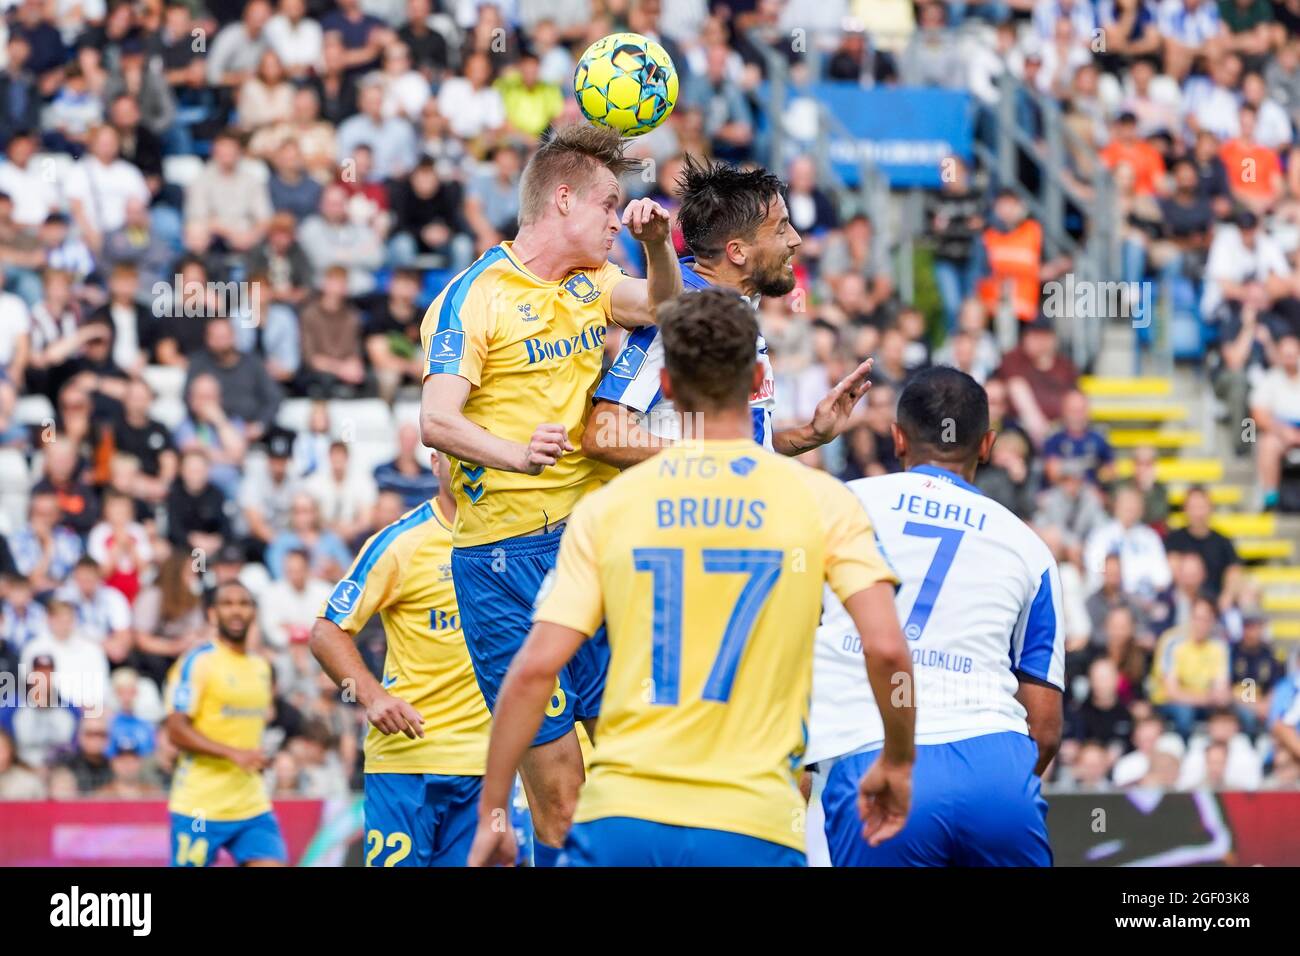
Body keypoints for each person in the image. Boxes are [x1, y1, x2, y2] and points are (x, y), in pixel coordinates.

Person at [466, 289, 913, 867]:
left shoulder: (609, 509)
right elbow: (885, 648)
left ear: (669, 388)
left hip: (623, 821)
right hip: (752, 822)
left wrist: (494, 811)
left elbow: (531, 673)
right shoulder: (820, 501)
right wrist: (898, 762)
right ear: (757, 381)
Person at [418, 124, 681, 866]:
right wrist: (515, 454)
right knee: (560, 799)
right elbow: (435, 419)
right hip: (500, 563)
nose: (615, 220)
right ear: (562, 198)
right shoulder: (473, 299)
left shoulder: (590, 286)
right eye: (608, 206)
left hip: (588, 547)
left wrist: (658, 244)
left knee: (635, 760)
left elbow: (665, 309)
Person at [809, 366, 1063, 867]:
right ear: (986, 445)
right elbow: (1046, 726)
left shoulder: (838, 505)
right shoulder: (1029, 546)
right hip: (998, 772)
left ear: (897, 437)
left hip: (873, 754)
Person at [585, 156, 874, 466]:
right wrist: (713, 458)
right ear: (737, 252)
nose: (796, 239)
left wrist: (809, 435)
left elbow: (740, 447)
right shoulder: (682, 313)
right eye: (780, 229)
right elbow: (604, 435)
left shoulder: (736, 306)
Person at [311, 451, 491, 867]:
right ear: (434, 461)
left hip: (485, 768)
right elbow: (326, 630)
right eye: (455, 454)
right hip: (407, 764)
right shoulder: (401, 543)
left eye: (475, 452)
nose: (467, 464)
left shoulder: (510, 540)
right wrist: (374, 698)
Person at [164, 581, 287, 867]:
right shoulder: (198, 662)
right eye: (228, 604)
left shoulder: (262, 667)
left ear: (253, 613)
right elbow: (176, 730)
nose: (236, 611)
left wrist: (259, 756)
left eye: (244, 604)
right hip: (199, 805)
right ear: (212, 614)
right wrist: (234, 753)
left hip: (251, 803)